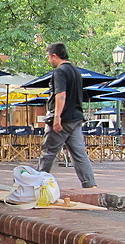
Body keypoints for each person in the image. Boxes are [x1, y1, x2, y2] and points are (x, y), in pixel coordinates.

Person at [37, 42, 97, 188]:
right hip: (76, 118)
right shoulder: (76, 71)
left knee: (49, 152)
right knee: (79, 153)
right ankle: (90, 184)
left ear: (54, 56)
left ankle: (36, 183)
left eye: (48, 57)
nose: (48, 60)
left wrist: (57, 117)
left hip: (63, 119)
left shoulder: (59, 72)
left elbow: (61, 94)